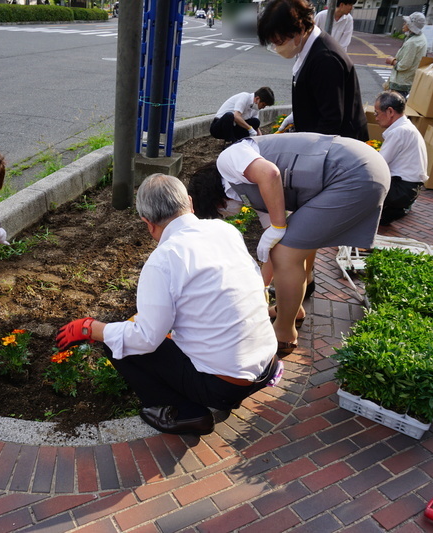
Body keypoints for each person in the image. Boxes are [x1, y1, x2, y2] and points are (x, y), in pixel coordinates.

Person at [55, 174, 282, 436]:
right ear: (189, 203)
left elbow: (146, 339)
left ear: (147, 223)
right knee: (140, 328)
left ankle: (185, 414)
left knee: (118, 342)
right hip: (266, 363)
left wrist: (91, 328)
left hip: (224, 387)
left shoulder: (163, 259)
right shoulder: (225, 231)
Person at [188, 133, 389, 354]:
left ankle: (284, 333)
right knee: (291, 247)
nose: (225, 215)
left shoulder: (229, 159)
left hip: (352, 171)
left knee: (286, 253)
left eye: (218, 212)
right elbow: (273, 244)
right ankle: (293, 310)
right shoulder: (250, 190)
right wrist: (259, 290)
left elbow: (270, 173)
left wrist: (278, 225)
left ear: (214, 198)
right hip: (361, 168)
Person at [258, 0, 368, 142]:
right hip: (321, 136)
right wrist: (296, 116)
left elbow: (331, 121)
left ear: (301, 28)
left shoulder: (326, 60)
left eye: (279, 42)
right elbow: (315, 97)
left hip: (341, 147)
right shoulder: (308, 47)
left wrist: (307, 153)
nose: (277, 48)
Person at [373, 91, 428, 225]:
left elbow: (378, 163)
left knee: (359, 182)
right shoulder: (406, 127)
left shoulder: (399, 131)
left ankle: (393, 209)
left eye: (377, 113)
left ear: (390, 112)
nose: (376, 118)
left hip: (401, 190)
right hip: (408, 188)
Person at [384, 13, 428, 98]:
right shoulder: (420, 38)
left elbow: (404, 65)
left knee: (394, 107)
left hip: (402, 84)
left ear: (411, 26)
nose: (403, 24)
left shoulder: (413, 42)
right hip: (408, 82)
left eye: (406, 23)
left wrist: (392, 61)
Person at [209, 87, 275, 143]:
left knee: (256, 122)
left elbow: (256, 127)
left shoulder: (255, 108)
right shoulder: (244, 97)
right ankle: (230, 142)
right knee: (229, 116)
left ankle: (240, 141)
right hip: (219, 127)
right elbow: (236, 116)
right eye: (263, 105)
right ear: (257, 99)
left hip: (233, 127)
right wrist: (250, 128)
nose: (263, 107)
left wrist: (260, 139)